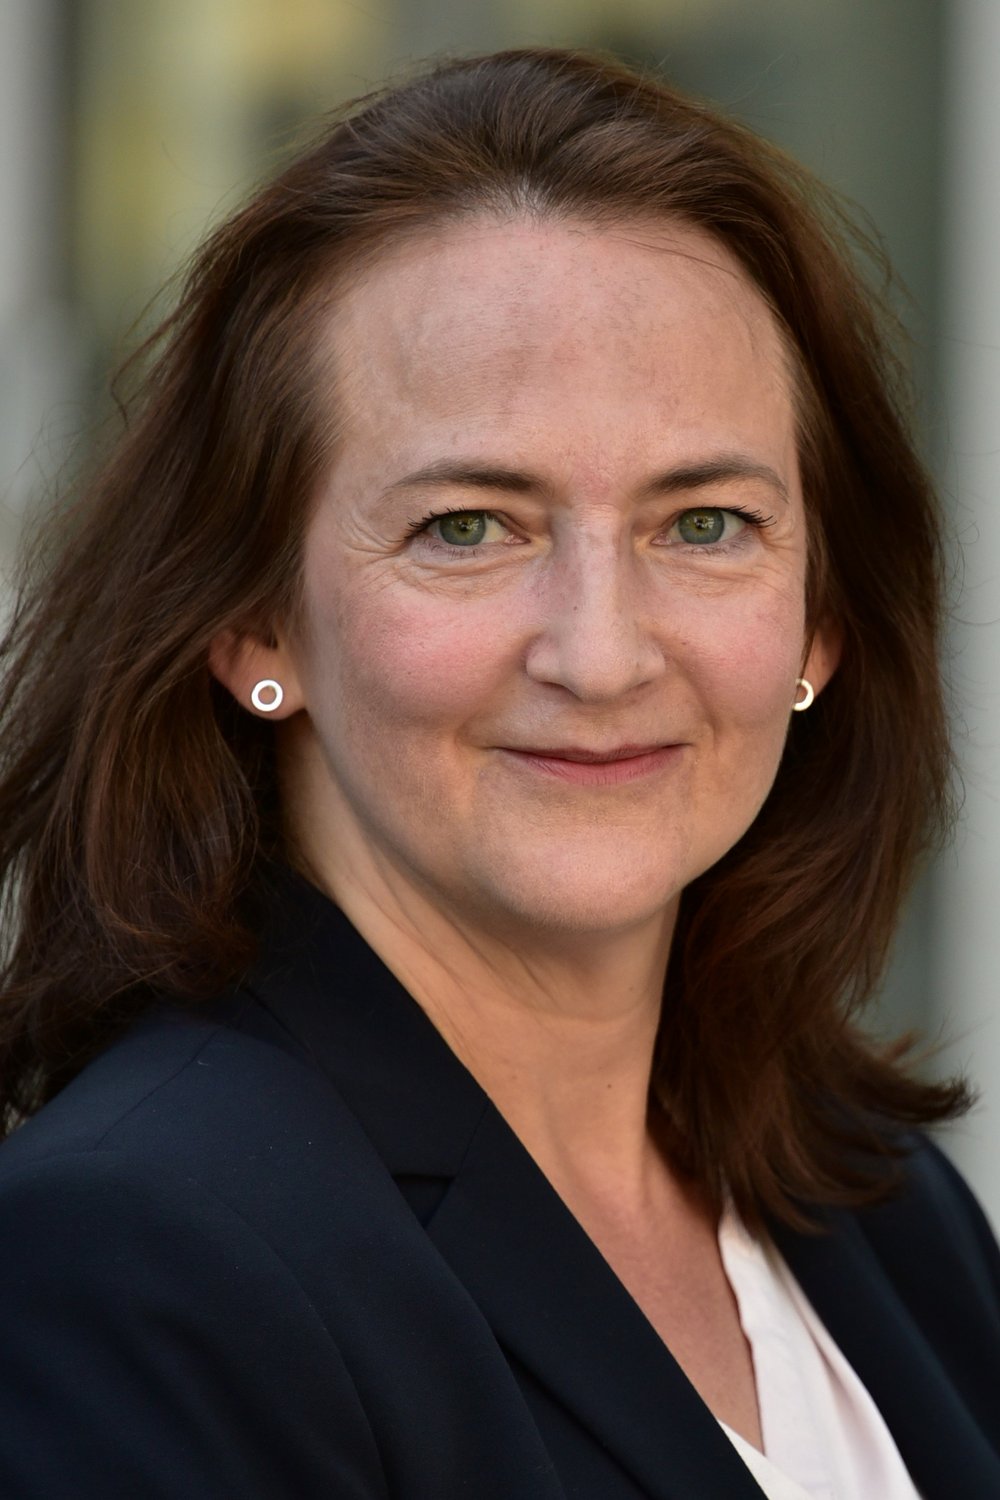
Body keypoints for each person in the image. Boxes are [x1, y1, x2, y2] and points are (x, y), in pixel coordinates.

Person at [0, 46, 996, 1500]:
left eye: (705, 523)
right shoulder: (138, 1255)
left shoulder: (881, 1203)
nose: (601, 655)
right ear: (253, 620)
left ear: (821, 622)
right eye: (469, 527)